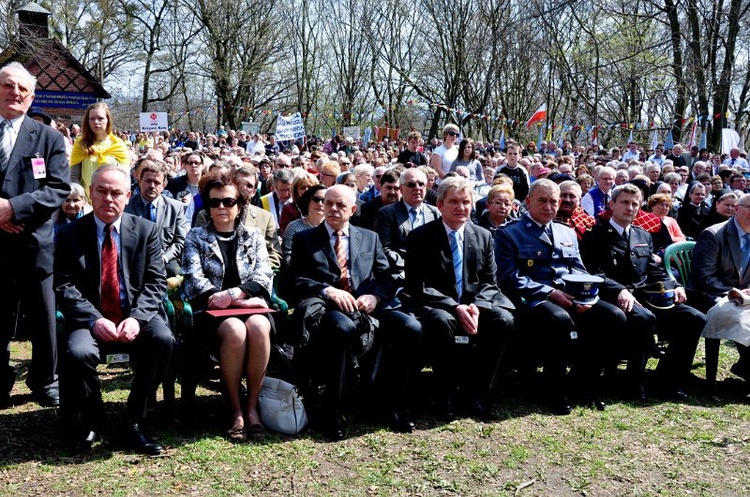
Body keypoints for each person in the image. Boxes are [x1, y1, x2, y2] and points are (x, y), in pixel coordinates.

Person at [55, 166, 174, 454]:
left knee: (164, 340)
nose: (109, 198)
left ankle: (134, 420)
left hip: (136, 315)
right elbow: (64, 286)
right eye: (102, 191)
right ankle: (94, 420)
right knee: (79, 351)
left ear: (127, 195)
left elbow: (156, 282)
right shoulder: (71, 234)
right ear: (91, 194)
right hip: (90, 319)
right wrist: (95, 320)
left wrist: (137, 318)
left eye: (116, 193)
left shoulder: (146, 230)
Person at [288, 185, 422, 440]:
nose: (333, 210)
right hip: (328, 308)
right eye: (328, 204)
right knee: (343, 329)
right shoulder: (305, 239)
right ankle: (332, 411)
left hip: (368, 306)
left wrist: (376, 296)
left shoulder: (368, 237)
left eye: (340, 205)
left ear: (353, 209)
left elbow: (388, 276)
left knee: (410, 327)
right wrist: (328, 290)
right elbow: (295, 280)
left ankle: (390, 404)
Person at [495, 179, 626, 414]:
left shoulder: (567, 232)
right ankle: (554, 390)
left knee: (614, 316)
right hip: (534, 299)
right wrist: (550, 292)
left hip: (571, 295)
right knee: (560, 320)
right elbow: (509, 277)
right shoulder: (509, 233)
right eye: (542, 201)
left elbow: (579, 270)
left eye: (553, 202)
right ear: (527, 202)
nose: (549, 206)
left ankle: (584, 384)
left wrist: (587, 297)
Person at [581, 184, 705, 401]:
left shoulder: (643, 235)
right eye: (624, 202)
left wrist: (674, 285)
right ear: (612, 205)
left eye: (634, 204)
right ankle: (632, 384)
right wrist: (619, 290)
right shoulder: (596, 234)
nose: (629, 208)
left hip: (647, 295)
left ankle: (666, 381)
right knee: (644, 319)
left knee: (694, 318)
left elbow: (653, 269)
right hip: (614, 298)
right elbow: (594, 272)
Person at [405, 177, 514, 420]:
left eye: (466, 202)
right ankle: (444, 394)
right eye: (454, 202)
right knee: (442, 322)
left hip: (475, 304)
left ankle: (478, 393)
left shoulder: (483, 236)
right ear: (440, 205)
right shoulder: (421, 236)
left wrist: (477, 306)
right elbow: (417, 284)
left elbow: (489, 280)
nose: (460, 207)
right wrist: (455, 307)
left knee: (503, 320)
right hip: (438, 305)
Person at [182, 170, 274, 443]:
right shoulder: (196, 237)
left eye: (228, 202)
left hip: (251, 309)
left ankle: (252, 404)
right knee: (235, 329)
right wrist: (228, 299)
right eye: (214, 202)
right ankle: (234, 407)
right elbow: (194, 279)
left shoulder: (253, 237)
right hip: (210, 314)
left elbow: (263, 276)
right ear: (207, 207)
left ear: (240, 205)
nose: (221, 207)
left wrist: (233, 294)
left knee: (258, 325)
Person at [0, 62, 70, 409]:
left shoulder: (49, 138)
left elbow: (58, 188)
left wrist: (13, 209)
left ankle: (45, 380)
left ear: (31, 97)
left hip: (33, 243)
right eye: (8, 86)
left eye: (22, 89)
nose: (15, 93)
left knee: (44, 319)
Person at [689, 194, 750, 381]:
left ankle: (745, 367)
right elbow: (704, 278)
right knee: (744, 319)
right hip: (710, 295)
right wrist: (735, 293)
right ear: (736, 208)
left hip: (744, 297)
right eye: (749, 208)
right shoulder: (714, 235)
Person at [124, 160, 189, 277]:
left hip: (165, 258)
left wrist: (164, 257)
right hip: (133, 259)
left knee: (176, 275)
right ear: (139, 182)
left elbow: (181, 240)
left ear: (164, 185)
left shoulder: (175, 207)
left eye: (157, 182)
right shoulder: (126, 206)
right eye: (148, 181)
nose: (152, 186)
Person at [374, 168, 440, 282]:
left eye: (421, 184)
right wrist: (411, 268)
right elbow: (384, 249)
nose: (417, 188)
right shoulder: (387, 213)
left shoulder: (435, 212)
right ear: (401, 189)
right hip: (399, 275)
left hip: (432, 274)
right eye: (411, 184)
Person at [69, 103, 129, 196]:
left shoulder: (119, 145)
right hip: (87, 204)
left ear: (108, 120)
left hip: (111, 202)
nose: (96, 122)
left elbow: (125, 178)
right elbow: (74, 176)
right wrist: (82, 198)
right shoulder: (81, 144)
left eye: (100, 118)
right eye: (92, 118)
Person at [281, 184, 327, 268]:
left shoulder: (332, 227)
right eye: (316, 199)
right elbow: (288, 257)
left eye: (325, 201)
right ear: (308, 201)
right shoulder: (293, 227)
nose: (320, 204)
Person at [166, 151, 205, 225]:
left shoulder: (208, 186)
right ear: (186, 166)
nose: (193, 165)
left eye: (196, 163)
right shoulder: (174, 184)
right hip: (178, 223)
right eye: (190, 163)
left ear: (202, 166)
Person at [278, 171, 318, 235]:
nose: (307, 190)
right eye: (302, 188)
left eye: (310, 187)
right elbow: (285, 234)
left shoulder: (321, 206)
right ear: (296, 191)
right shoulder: (289, 208)